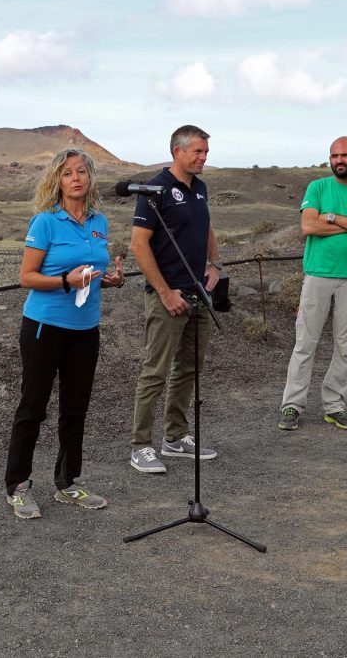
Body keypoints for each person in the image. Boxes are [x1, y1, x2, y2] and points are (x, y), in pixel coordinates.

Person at [4, 148, 125, 519]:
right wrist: (63, 281)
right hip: (45, 327)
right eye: (68, 173)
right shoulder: (45, 222)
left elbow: (93, 269)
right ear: (57, 180)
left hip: (86, 328)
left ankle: (68, 482)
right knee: (33, 406)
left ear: (90, 178)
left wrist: (111, 279)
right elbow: (26, 277)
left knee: (76, 408)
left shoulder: (98, 220)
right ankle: (18, 486)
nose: (76, 178)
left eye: (81, 172)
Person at [128, 125, 222, 474]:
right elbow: (138, 244)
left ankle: (175, 437)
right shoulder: (156, 189)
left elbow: (207, 226)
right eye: (198, 151)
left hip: (199, 292)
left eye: (206, 152)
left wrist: (214, 263)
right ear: (177, 151)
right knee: (155, 371)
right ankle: (140, 446)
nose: (203, 158)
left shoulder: (200, 188)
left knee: (189, 368)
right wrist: (165, 292)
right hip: (168, 295)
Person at [277, 136, 347, 431]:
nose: (339, 160)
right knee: (305, 343)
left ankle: (335, 406)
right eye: (334, 155)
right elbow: (309, 226)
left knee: (345, 346)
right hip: (318, 274)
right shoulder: (318, 187)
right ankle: (292, 406)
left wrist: (333, 217)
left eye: (345, 155)